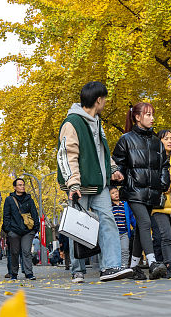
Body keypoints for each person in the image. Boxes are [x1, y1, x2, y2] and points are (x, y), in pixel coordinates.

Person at [56, 81, 133, 283]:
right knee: (77, 226)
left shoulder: (97, 121)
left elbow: (102, 152)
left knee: (108, 221)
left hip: (100, 185)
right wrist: (73, 184)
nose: (105, 103)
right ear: (99, 100)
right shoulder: (72, 122)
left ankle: (111, 267)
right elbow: (67, 154)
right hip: (80, 185)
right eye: (105, 99)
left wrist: (113, 170)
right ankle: (77, 270)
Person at [113, 102, 171, 279]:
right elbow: (118, 164)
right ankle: (152, 262)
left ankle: (133, 267)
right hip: (133, 191)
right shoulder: (126, 139)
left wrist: (163, 182)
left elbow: (164, 165)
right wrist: (117, 175)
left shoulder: (156, 142)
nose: (152, 118)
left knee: (141, 228)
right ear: (137, 117)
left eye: (152, 114)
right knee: (145, 223)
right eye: (148, 115)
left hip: (151, 191)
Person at [153, 130, 171, 279]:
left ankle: (161, 264)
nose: (169, 141)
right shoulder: (153, 158)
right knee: (166, 237)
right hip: (159, 205)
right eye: (166, 139)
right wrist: (162, 186)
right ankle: (169, 267)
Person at [3, 177, 40, 280]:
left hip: (28, 231)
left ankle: (29, 273)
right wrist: (8, 230)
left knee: (26, 251)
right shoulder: (9, 200)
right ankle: (14, 273)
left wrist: (35, 228)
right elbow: (6, 215)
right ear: (15, 187)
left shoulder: (29, 199)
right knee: (14, 253)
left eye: (23, 185)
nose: (22, 186)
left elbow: (34, 214)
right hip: (14, 231)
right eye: (20, 185)